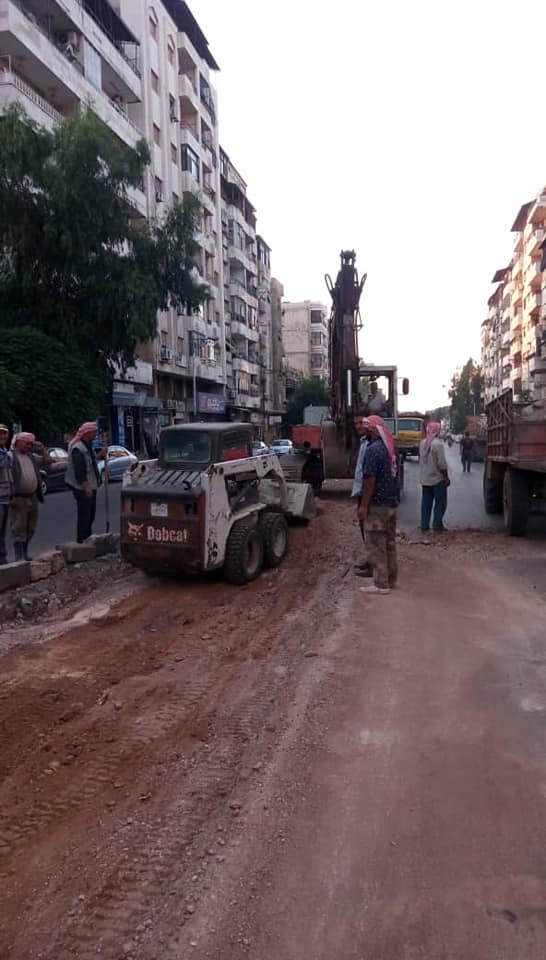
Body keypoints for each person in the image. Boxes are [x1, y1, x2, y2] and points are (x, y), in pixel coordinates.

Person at [357, 415, 400, 595]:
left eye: (366, 428)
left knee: (376, 545)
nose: (363, 430)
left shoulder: (373, 450)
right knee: (389, 543)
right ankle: (391, 579)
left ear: (372, 430)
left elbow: (370, 480)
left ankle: (381, 584)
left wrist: (363, 505)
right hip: (391, 503)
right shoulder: (389, 448)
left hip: (377, 505)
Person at [65, 421, 102, 543]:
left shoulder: (88, 446)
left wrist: (101, 455)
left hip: (91, 486)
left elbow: (91, 463)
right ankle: (81, 542)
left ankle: (87, 540)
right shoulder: (78, 448)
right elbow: (79, 470)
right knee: (84, 517)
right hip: (83, 488)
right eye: (94, 432)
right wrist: (86, 486)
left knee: (90, 516)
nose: (96, 435)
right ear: (87, 433)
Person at [10, 432, 44, 561]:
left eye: (30, 444)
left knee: (31, 526)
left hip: (32, 496)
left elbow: (48, 461)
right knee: (19, 527)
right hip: (18, 497)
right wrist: (11, 496)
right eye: (26, 443)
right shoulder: (10, 457)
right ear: (18, 442)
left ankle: (25, 553)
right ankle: (19, 557)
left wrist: (42, 449)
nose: (29, 446)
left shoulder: (31, 456)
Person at [351, 414, 373, 578]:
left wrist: (364, 503)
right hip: (361, 491)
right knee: (365, 529)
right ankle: (370, 560)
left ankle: (374, 565)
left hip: (368, 493)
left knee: (371, 529)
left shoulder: (371, 445)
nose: (358, 426)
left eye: (361, 423)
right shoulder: (364, 442)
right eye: (356, 423)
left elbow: (370, 476)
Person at [419, 421, 450, 532]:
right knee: (440, 503)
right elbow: (442, 464)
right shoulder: (438, 444)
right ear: (437, 431)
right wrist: (446, 477)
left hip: (425, 479)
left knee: (426, 504)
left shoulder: (422, 443)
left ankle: (424, 525)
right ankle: (437, 525)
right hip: (437, 480)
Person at [0, 424, 13, 565]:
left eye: (4, 433)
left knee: (3, 530)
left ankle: (2, 557)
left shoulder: (5, 453)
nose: (2, 436)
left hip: (6, 496)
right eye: (0, 434)